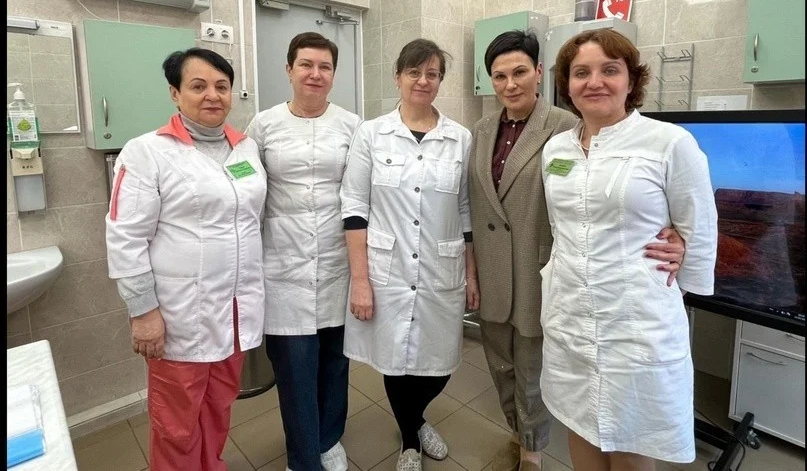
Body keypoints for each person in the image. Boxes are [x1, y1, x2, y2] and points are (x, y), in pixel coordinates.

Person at [469, 30, 688, 471]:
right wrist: (471, 269)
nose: (510, 84)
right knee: (501, 365)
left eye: (519, 72)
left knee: (533, 369)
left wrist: (679, 237)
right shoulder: (481, 130)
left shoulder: (565, 128)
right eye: (499, 76)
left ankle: (532, 450)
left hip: (540, 268)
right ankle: (516, 432)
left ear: (539, 74)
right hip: (493, 270)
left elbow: (608, 201)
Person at [540, 29, 718, 470]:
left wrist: (681, 267)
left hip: (635, 320)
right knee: (580, 422)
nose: (594, 82)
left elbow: (699, 225)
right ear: (567, 85)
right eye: (581, 72)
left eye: (609, 70)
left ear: (631, 80)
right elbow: (562, 226)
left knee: (631, 437)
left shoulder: (668, 143)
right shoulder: (556, 150)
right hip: (570, 312)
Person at [105, 48, 267, 471]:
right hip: (179, 315)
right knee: (176, 423)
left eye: (222, 86)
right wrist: (143, 312)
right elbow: (125, 237)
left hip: (235, 313)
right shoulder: (147, 152)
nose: (212, 95)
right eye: (198, 86)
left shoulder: (246, 149)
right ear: (175, 93)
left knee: (218, 408)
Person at [340, 39, 480, 471]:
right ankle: (409, 441)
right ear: (398, 76)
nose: (423, 81)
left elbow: (465, 209)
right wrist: (360, 281)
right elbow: (354, 207)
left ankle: (416, 418)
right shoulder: (371, 133)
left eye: (432, 74)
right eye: (414, 72)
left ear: (440, 81)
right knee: (395, 360)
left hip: (442, 266)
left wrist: (471, 273)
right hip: (388, 268)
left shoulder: (460, 138)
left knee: (440, 362)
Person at [244, 32, 360, 471]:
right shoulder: (263, 125)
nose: (315, 74)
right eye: (306, 65)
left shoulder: (352, 125)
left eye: (325, 66)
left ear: (333, 74)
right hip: (283, 265)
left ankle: (329, 439)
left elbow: (360, 194)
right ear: (289, 69)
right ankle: (303, 457)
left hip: (336, 260)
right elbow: (248, 193)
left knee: (335, 362)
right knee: (293, 370)